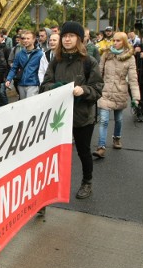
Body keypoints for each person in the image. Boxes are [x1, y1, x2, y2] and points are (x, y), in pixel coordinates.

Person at [40, 21, 103, 199]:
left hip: (82, 116)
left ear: (79, 39)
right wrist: (56, 87)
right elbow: (44, 85)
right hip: (59, 117)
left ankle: (87, 182)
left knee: (83, 151)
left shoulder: (89, 62)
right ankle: (51, 186)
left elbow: (97, 88)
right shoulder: (56, 60)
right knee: (55, 152)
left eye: (72, 36)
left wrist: (84, 90)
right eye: (65, 36)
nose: (67, 39)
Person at [93, 32, 140, 158]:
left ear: (124, 42)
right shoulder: (106, 55)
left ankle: (117, 138)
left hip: (120, 92)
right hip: (105, 91)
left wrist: (136, 98)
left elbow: (133, 79)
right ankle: (101, 147)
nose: (115, 43)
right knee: (103, 120)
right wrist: (95, 88)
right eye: (114, 40)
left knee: (118, 119)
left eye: (118, 41)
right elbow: (98, 72)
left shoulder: (130, 58)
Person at [5, 30, 44, 100]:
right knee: (23, 106)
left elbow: (43, 70)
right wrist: (8, 79)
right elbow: (14, 68)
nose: (25, 40)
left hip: (33, 84)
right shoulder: (19, 54)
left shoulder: (40, 54)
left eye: (28, 38)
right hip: (21, 84)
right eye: (24, 38)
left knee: (30, 105)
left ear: (33, 40)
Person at [0, 31, 11, 106]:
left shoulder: (6, 49)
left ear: (2, 38)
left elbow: (8, 63)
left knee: (1, 93)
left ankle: (6, 107)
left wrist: (6, 76)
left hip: (3, 75)